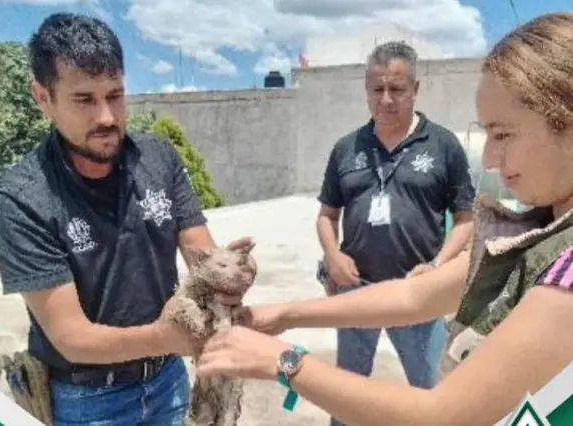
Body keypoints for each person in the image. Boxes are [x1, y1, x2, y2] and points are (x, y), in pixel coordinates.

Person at [194, 12, 573, 426]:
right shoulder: (539, 235)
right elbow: (414, 298)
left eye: (502, 134)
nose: (489, 159)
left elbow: (441, 415)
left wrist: (285, 363)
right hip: (362, 284)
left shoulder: (565, 277)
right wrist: (286, 313)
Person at [0, 12, 255, 426]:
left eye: (115, 94)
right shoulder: (21, 200)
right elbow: (71, 338)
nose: (107, 116)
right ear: (43, 98)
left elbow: (201, 254)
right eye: (85, 99)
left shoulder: (157, 158)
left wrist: (229, 272)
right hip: (87, 402)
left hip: (168, 381)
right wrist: (163, 337)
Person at [314, 40, 475, 410]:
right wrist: (332, 254)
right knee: (347, 397)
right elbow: (327, 215)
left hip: (417, 295)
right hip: (357, 292)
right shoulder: (346, 148)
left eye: (397, 89)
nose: (386, 99)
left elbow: (466, 221)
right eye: (377, 89)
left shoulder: (443, 145)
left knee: (434, 397)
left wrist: (435, 269)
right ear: (366, 90)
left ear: (415, 90)